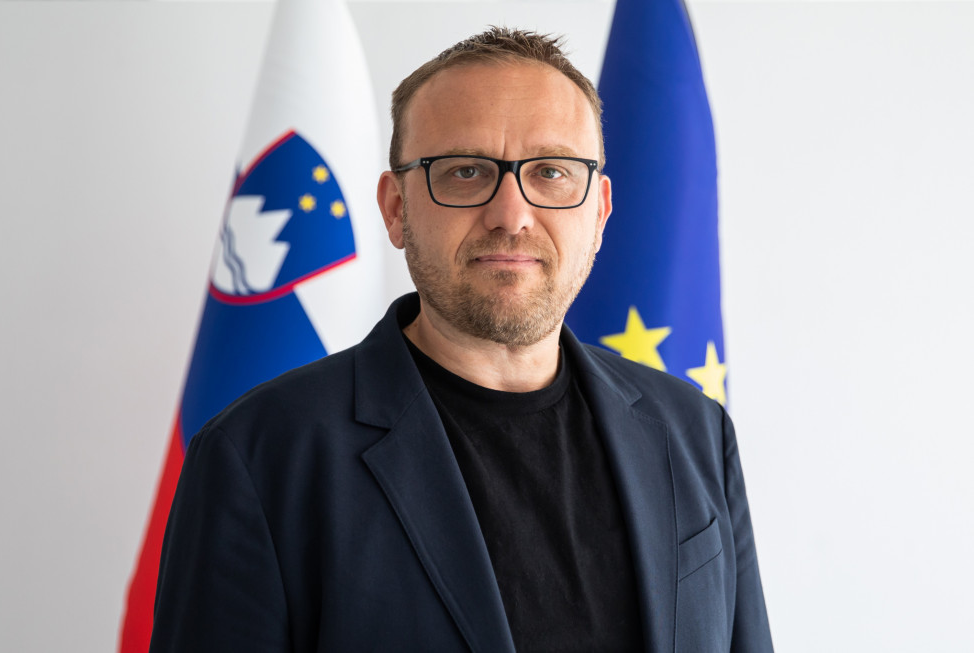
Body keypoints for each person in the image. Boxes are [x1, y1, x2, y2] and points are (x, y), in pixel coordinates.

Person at [150, 27, 772, 653]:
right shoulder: (260, 457)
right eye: (466, 172)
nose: (512, 213)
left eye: (552, 171)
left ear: (600, 211)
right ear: (395, 208)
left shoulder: (695, 430)